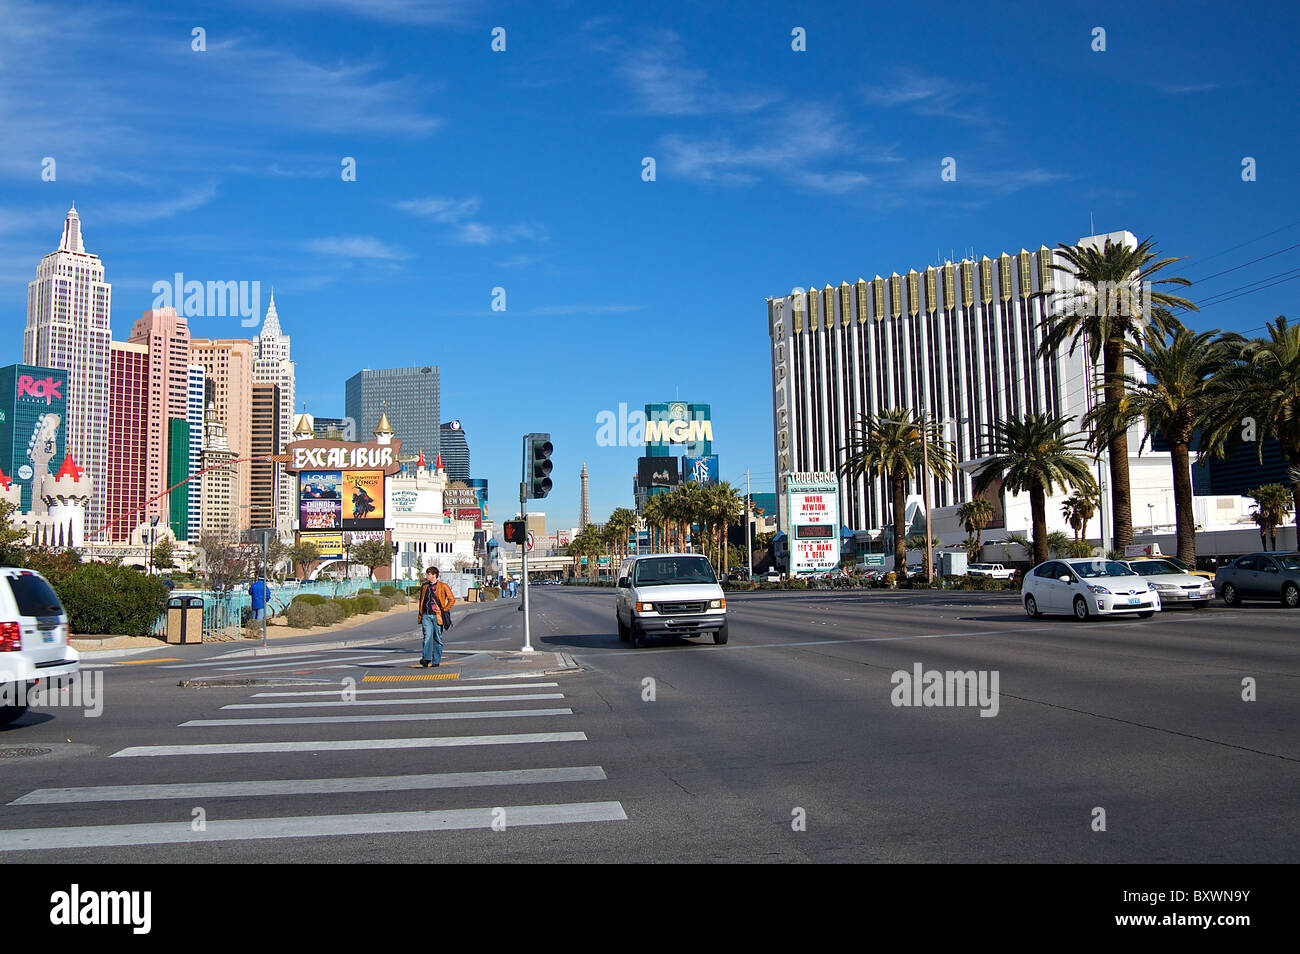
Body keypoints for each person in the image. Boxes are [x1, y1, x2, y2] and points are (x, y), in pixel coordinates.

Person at [416, 566, 456, 667]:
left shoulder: (443, 586)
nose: (427, 576)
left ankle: (436, 661)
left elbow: (452, 599)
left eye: (428, 574)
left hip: (437, 615)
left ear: (434, 575)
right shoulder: (425, 586)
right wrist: (421, 613)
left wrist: (445, 609)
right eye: (427, 574)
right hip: (426, 615)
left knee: (437, 638)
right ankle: (426, 658)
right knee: (427, 636)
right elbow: (422, 600)